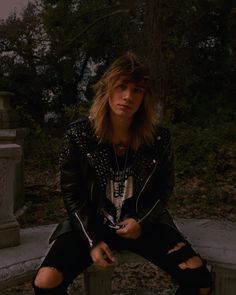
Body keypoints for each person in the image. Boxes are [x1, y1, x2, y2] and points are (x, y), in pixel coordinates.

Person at [33, 52, 212, 295]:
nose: (128, 96)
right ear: (107, 88)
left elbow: (163, 190)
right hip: (91, 223)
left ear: (144, 97)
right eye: (121, 86)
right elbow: (71, 194)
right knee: (46, 281)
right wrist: (92, 241)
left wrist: (142, 221)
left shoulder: (158, 139)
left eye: (137, 90)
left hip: (140, 222)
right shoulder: (80, 135)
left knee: (199, 279)